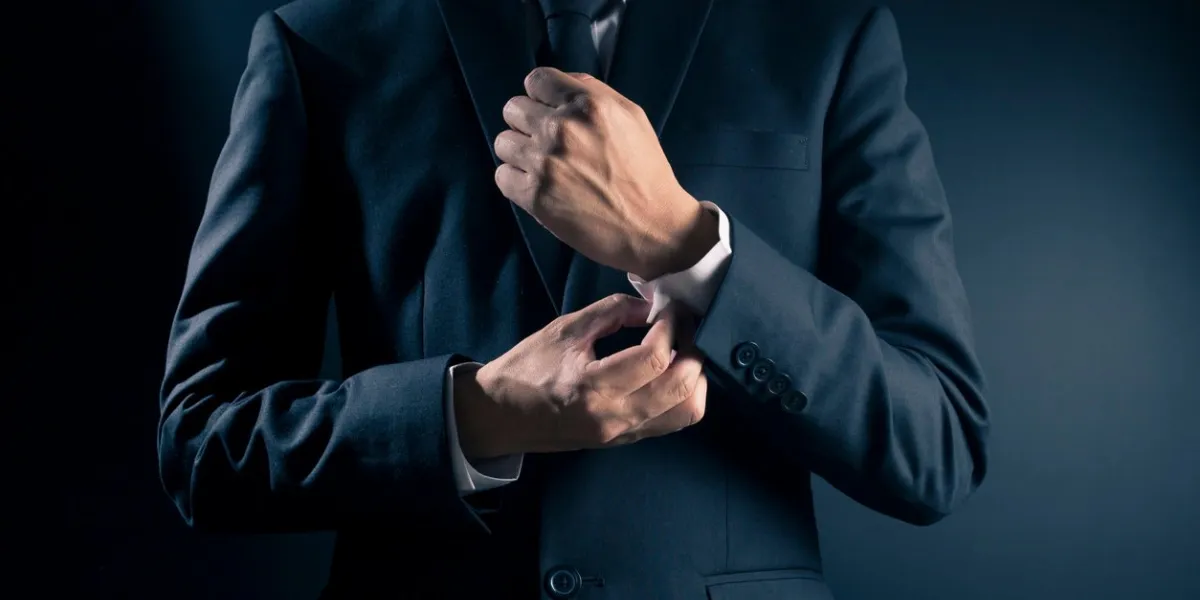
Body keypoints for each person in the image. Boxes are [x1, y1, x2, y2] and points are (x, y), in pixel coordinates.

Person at [158, 0, 990, 598]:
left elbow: (937, 442)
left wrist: (682, 244)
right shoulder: (319, 40)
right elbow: (201, 446)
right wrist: (479, 416)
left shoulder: (826, 31)